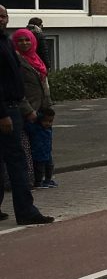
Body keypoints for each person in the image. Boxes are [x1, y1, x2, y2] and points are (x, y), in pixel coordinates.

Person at [0, 4, 53, 225]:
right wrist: (3, 113)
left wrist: (27, 110)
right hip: (5, 111)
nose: (1, 19)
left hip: (15, 108)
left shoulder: (5, 41)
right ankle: (25, 211)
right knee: (16, 161)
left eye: (4, 15)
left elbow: (16, 80)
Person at [13, 27, 56, 188]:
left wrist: (49, 107)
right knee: (28, 148)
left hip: (42, 112)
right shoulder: (16, 61)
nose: (24, 43)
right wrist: (27, 109)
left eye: (27, 40)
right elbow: (16, 88)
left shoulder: (36, 59)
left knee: (43, 145)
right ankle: (30, 180)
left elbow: (44, 86)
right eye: (20, 41)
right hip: (27, 112)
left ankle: (44, 177)